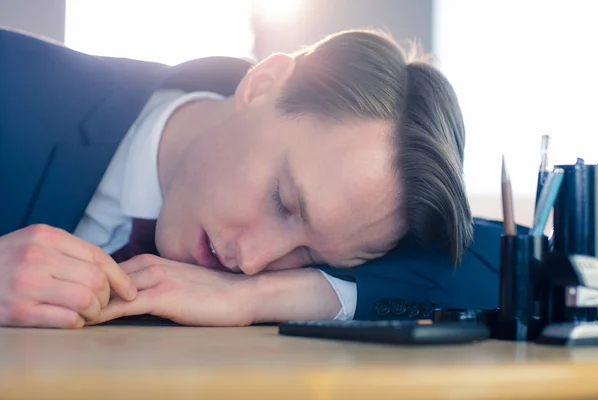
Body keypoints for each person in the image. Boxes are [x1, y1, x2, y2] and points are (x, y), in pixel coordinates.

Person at [0, 26, 478, 329]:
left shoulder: (259, 276)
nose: (251, 261)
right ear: (263, 85)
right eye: (283, 201)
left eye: (307, 255)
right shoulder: (14, 79)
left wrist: (262, 297)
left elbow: (496, 269)